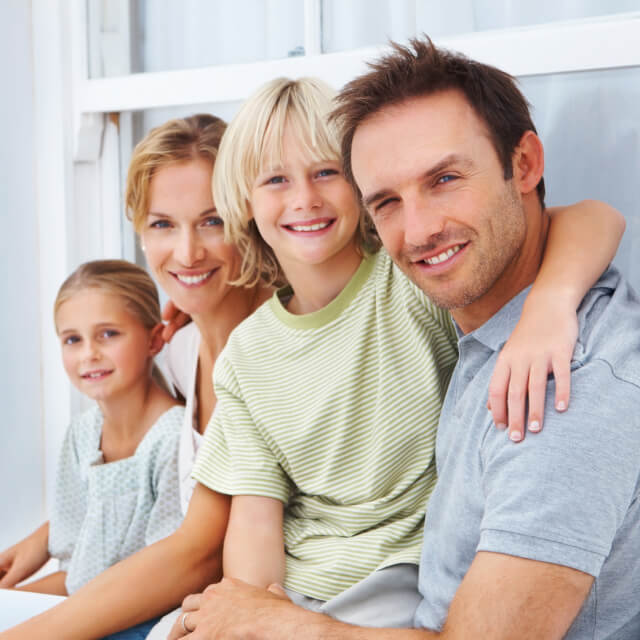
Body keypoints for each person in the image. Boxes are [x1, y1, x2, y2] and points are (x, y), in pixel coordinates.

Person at [164, 75, 626, 639]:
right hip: (308, 588)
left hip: (391, 587)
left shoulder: (421, 283)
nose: (421, 228)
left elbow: (590, 217)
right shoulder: (252, 351)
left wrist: (550, 306)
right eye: (276, 179)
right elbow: (254, 526)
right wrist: (252, 615)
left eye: (326, 172)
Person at [0, 114, 271, 639]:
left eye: (213, 221)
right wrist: (46, 535)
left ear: (249, 219)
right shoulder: (180, 350)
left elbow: (198, 551)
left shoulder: (270, 347)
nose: (187, 252)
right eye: (163, 224)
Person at [16, 259, 184, 599]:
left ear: (154, 340)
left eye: (108, 334)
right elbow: (77, 578)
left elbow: (168, 579)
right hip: (89, 611)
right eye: (72, 339)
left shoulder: (174, 440)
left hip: (147, 619)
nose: (89, 354)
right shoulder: (81, 436)